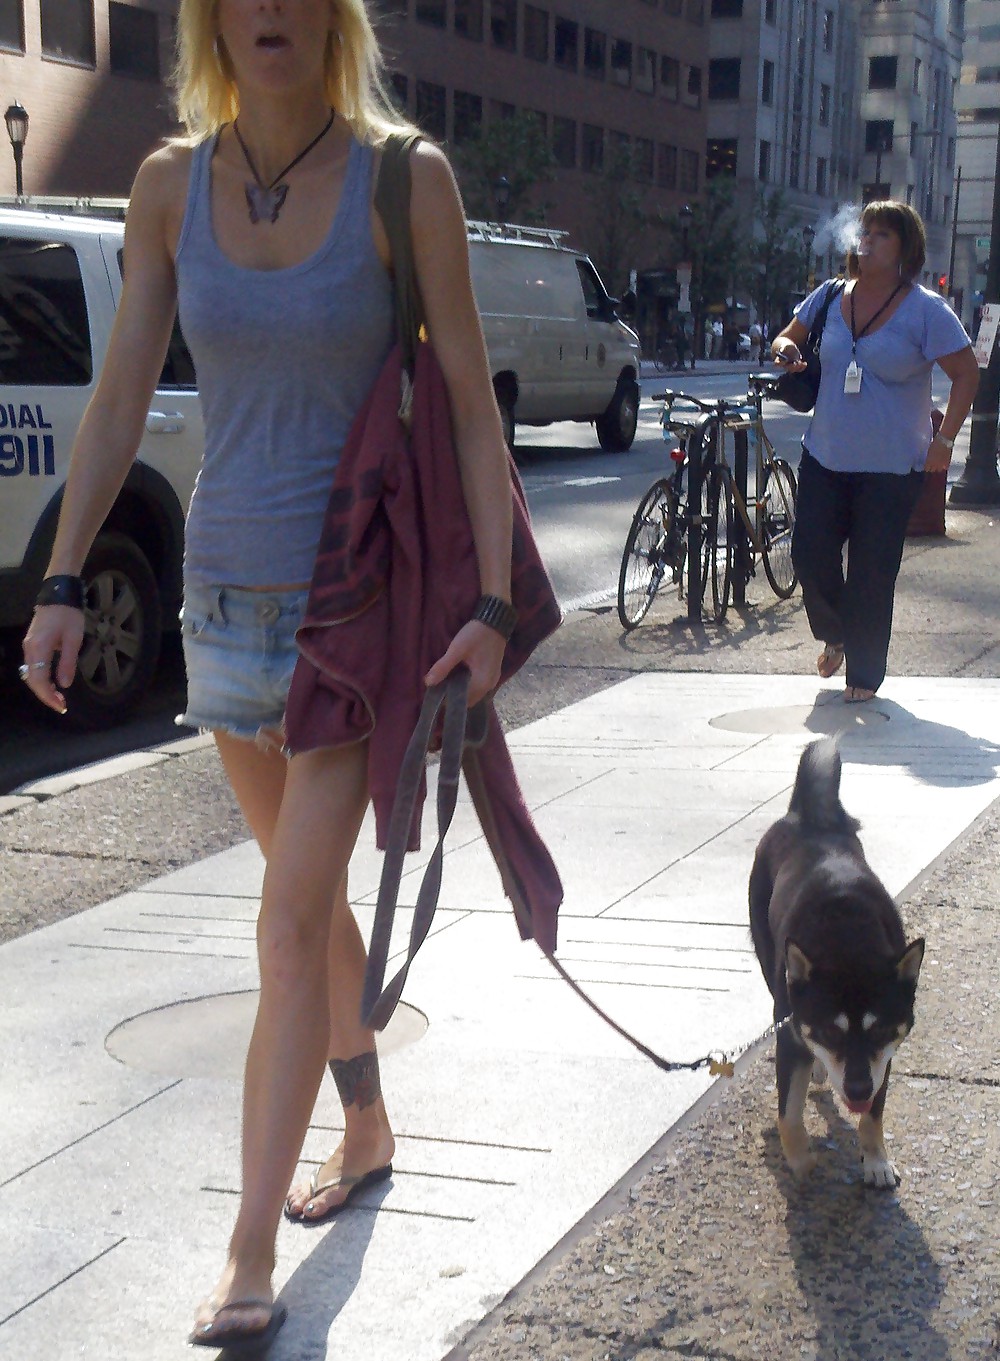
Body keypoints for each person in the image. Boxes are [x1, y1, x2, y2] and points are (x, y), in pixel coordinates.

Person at [19, 0, 515, 1349]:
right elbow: (123, 392)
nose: (272, 11)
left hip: (354, 612)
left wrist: (489, 604)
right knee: (311, 907)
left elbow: (472, 397)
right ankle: (362, 1116)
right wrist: (63, 582)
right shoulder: (171, 182)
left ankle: (246, 1250)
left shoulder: (403, 177)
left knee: (289, 926)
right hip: (220, 615)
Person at [771, 201, 979, 702]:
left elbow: (967, 373)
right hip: (825, 455)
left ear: (904, 248)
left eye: (881, 234)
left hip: (891, 466)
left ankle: (863, 675)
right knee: (808, 555)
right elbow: (786, 336)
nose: (867, 240)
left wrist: (944, 440)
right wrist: (787, 351)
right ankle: (837, 634)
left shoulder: (926, 309)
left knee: (871, 572)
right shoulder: (828, 296)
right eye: (864, 231)